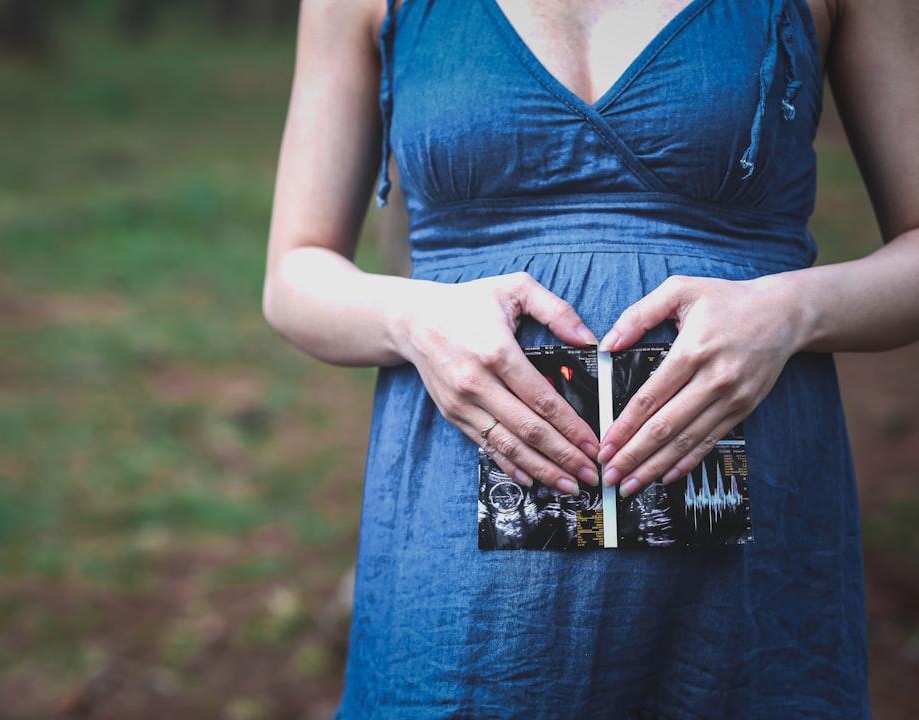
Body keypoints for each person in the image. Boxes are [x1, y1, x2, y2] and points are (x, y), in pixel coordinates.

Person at [261, 0, 919, 717]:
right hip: (458, 564)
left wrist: (792, 311)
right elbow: (294, 275)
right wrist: (413, 319)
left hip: (750, 554)